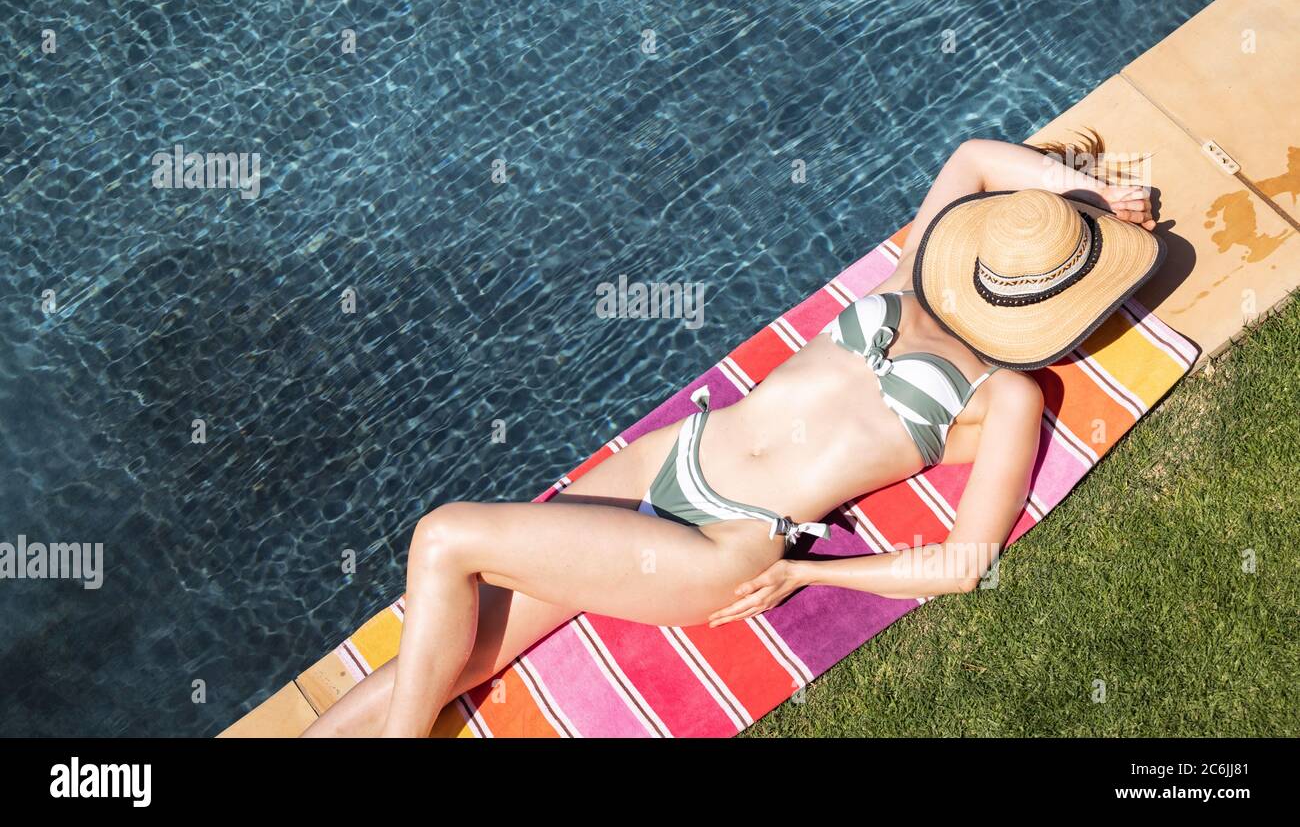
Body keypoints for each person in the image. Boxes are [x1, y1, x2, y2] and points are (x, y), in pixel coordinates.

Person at [302, 133, 1164, 737]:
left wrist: (801, 570)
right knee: (452, 655)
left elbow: (964, 563)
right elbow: (975, 156)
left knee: (447, 535)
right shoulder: (916, 277)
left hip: (723, 546)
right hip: (664, 461)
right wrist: (1075, 191)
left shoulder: (1004, 392)